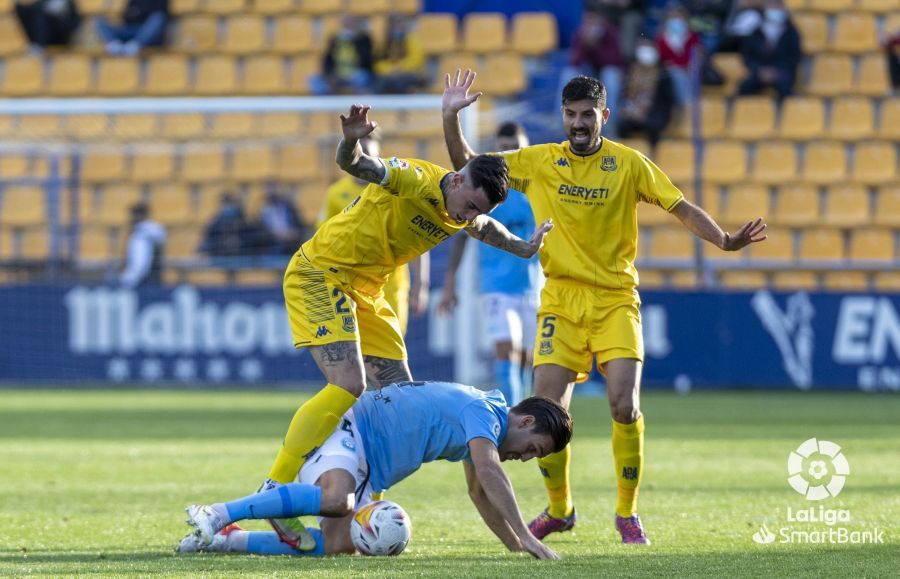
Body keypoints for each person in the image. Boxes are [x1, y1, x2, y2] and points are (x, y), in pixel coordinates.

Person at [441, 69, 767, 544]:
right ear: (562, 116)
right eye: (571, 115)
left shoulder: (630, 163)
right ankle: (559, 509)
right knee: (544, 410)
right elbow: (469, 166)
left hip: (615, 297)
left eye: (587, 115)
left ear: (604, 116)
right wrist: (451, 117)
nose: (578, 123)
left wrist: (723, 240)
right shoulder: (538, 161)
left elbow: (679, 206)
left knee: (623, 405)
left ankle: (627, 513)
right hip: (561, 298)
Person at [262, 103, 553, 546]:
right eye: (466, 205)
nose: (463, 217)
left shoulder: (465, 208)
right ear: (456, 180)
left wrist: (523, 247)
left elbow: (486, 227)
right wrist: (351, 139)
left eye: (473, 211)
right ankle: (277, 490)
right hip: (321, 273)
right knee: (348, 384)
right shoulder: (414, 178)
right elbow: (354, 164)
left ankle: (361, 507)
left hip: (366, 290)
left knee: (399, 407)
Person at [177, 382, 570, 560]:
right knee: (337, 501)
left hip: (366, 463)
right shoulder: (484, 414)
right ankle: (218, 513)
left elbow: (480, 492)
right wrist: (527, 534)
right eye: (534, 449)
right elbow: (490, 471)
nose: (525, 459)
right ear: (525, 422)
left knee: (334, 545)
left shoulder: (484, 419)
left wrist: (516, 545)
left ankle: (226, 541)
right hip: (351, 429)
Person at [438, 122, 540, 406]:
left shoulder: (535, 189)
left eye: (515, 147)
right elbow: (462, 236)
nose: (509, 152)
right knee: (506, 350)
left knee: (525, 357)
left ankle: (524, 412)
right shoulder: (490, 191)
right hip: (496, 286)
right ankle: (511, 415)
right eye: (504, 148)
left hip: (533, 286)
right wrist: (449, 284)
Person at [318, 133, 428, 336]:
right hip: (350, 286)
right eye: (359, 155)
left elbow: (417, 240)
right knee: (356, 352)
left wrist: (421, 286)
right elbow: (324, 241)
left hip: (391, 287)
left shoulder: (395, 190)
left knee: (390, 353)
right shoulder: (335, 194)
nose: (363, 161)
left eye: (368, 155)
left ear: (379, 155)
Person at [560, 11, 624, 136]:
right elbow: (575, 61)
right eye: (589, 20)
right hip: (587, 75)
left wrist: (596, 45)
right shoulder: (580, 33)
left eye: (595, 20)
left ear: (602, 20)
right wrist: (585, 43)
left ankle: (609, 126)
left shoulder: (611, 32)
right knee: (569, 73)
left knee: (610, 75)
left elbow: (614, 61)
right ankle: (562, 124)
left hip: (605, 75)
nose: (592, 24)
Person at [736, 0, 801, 101]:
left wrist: (777, 71)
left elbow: (795, 56)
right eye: (772, 7)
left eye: (778, 7)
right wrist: (759, 70)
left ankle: (786, 114)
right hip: (759, 71)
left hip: (782, 72)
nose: (775, 10)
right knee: (744, 87)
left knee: (785, 88)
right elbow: (747, 55)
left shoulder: (791, 31)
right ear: (765, 9)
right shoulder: (755, 31)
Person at [617, 39, 678, 146]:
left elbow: (668, 101)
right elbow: (624, 96)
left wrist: (647, 111)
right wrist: (632, 111)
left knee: (654, 125)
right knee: (621, 126)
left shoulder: (663, 74)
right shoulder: (630, 72)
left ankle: (654, 156)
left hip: (654, 114)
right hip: (633, 114)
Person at [310, 16, 374, 95]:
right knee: (314, 80)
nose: (348, 25)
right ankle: (328, 104)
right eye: (345, 23)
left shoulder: (364, 39)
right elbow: (328, 58)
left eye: (350, 22)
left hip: (356, 72)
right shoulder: (335, 39)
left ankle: (358, 103)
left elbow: (366, 58)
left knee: (362, 77)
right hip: (337, 73)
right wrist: (330, 73)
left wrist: (354, 40)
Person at [656, 5, 703, 106]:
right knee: (678, 75)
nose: (675, 20)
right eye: (672, 18)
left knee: (690, 73)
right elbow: (663, 60)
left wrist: (687, 66)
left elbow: (696, 55)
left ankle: (690, 107)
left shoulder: (692, 36)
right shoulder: (661, 39)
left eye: (677, 17)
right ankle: (685, 106)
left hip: (689, 69)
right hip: (669, 74)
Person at [374, 14, 426, 94]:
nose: (398, 26)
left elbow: (416, 59)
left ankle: (402, 106)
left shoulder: (411, 40)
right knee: (379, 82)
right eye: (395, 24)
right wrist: (390, 70)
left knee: (401, 82)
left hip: (407, 73)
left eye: (400, 23)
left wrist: (400, 68)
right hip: (388, 74)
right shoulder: (384, 42)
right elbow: (377, 62)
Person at [96, 0, 168, 57]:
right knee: (100, 20)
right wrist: (135, 13)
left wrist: (138, 13)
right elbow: (126, 15)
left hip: (147, 32)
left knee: (158, 18)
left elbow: (161, 13)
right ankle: (115, 45)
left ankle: (136, 45)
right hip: (131, 28)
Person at [119, 203, 166, 288]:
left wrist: (129, 279)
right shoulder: (137, 232)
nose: (131, 218)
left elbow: (140, 262)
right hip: (144, 274)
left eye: (134, 215)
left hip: (146, 276)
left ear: (141, 215)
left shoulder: (147, 232)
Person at [14, 0, 80, 51]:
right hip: (45, 34)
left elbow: (71, 23)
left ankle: (38, 45)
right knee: (23, 9)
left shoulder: (68, 3)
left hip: (61, 37)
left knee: (39, 13)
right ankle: (36, 44)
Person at [260, 187, 305, 257]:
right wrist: (279, 234)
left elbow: (298, 222)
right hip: (274, 240)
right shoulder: (265, 210)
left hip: (291, 237)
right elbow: (264, 229)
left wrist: (294, 232)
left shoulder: (288, 207)